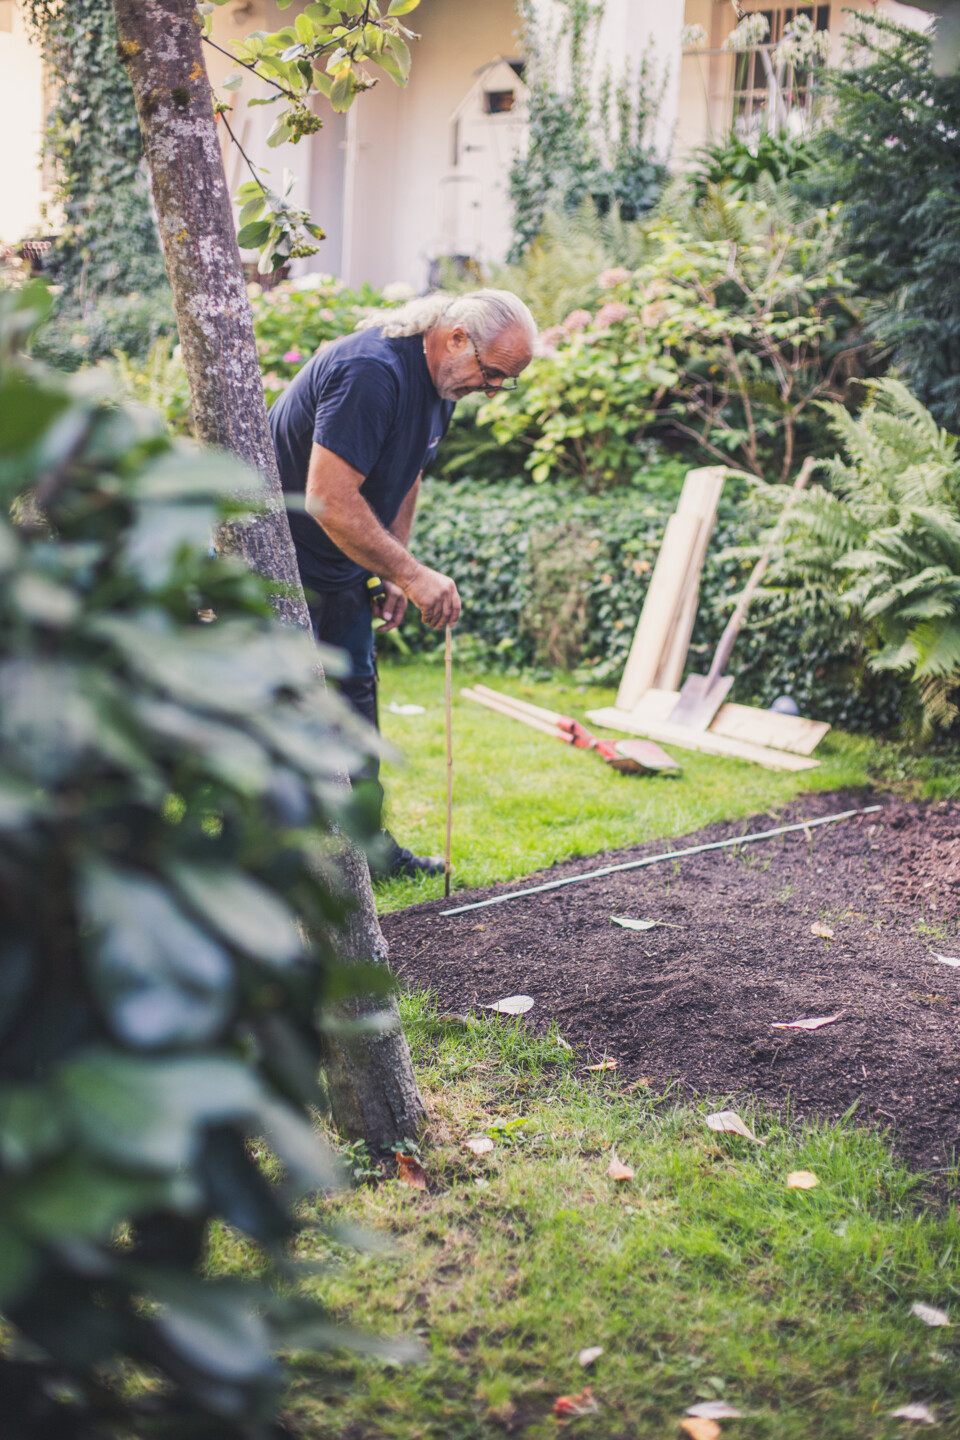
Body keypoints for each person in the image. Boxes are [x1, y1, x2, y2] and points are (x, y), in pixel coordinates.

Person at [269, 288, 536, 877]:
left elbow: (409, 468)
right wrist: (412, 575)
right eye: (492, 373)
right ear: (456, 337)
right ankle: (271, 870)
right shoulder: (371, 372)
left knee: (354, 713)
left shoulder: (442, 384)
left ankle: (367, 855)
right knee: (282, 722)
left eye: (505, 381)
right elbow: (327, 499)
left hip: (340, 567)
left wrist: (392, 564)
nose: (493, 389)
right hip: (277, 570)